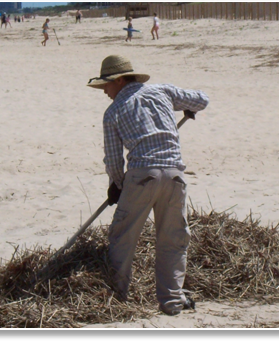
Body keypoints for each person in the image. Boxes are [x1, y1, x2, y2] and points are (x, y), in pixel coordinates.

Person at [87, 55, 209, 316]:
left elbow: (113, 158)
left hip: (142, 175)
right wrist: (189, 108)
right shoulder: (162, 91)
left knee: (122, 237)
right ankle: (172, 302)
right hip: (175, 176)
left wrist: (116, 185)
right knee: (173, 240)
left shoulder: (114, 111)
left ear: (119, 81)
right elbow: (202, 99)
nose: (105, 92)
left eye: (106, 85)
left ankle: (116, 297)